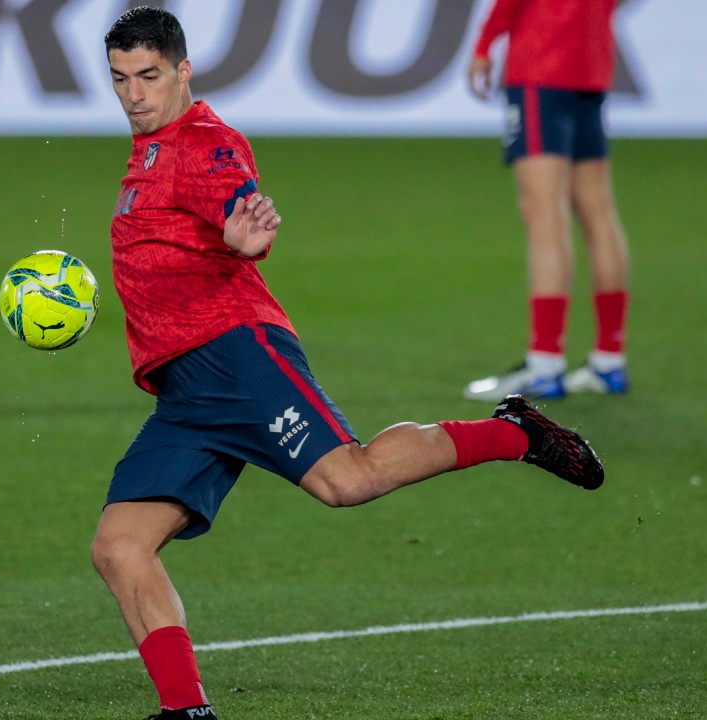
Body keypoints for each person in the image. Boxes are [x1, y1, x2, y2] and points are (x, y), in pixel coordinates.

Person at [92, 7, 604, 719]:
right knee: (120, 546)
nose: (134, 93)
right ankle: (187, 711)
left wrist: (244, 234)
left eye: (149, 76)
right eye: (120, 79)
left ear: (183, 71)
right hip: (184, 389)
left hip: (238, 355)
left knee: (348, 480)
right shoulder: (146, 154)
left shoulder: (205, 143)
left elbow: (237, 199)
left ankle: (516, 434)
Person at [463, 0, 632, 401]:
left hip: (542, 65)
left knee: (544, 215)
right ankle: (609, 360)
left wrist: (485, 44)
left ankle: (544, 365)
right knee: (599, 214)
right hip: (591, 66)